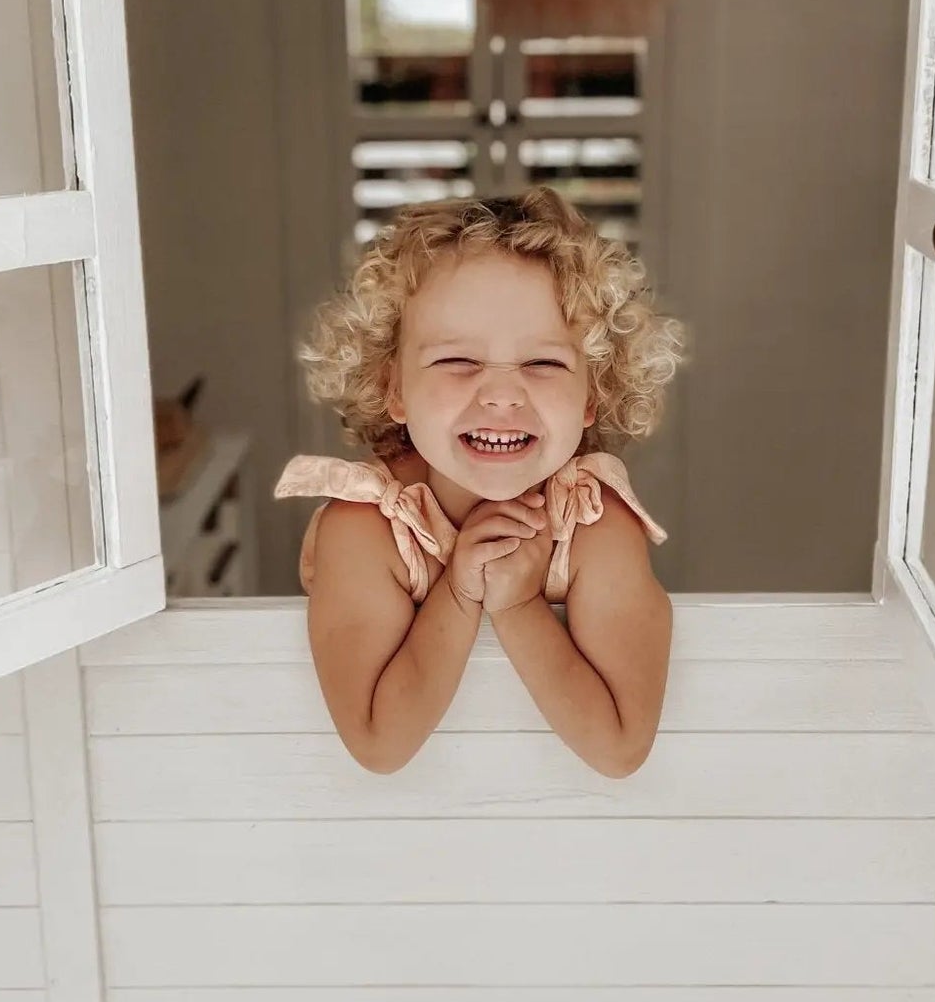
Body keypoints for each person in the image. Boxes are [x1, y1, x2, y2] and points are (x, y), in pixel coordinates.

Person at [275, 188, 686, 777]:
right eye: (456, 361)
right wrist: (462, 590)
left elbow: (620, 746)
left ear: (593, 393)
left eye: (543, 363)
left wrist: (518, 603)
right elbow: (379, 744)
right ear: (393, 386)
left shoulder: (595, 523)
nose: (500, 393)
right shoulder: (364, 528)